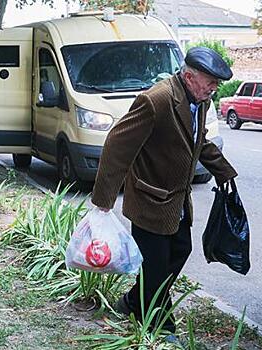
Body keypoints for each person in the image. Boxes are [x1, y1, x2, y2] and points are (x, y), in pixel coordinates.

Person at [91, 47, 238, 339]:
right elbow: (117, 146)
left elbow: (199, 140)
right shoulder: (156, 100)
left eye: (216, 84)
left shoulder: (199, 100)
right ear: (188, 76)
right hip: (149, 199)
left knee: (181, 251)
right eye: (210, 82)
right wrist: (104, 202)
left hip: (176, 201)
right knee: (156, 268)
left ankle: (133, 301)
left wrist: (224, 171)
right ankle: (161, 326)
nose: (214, 89)